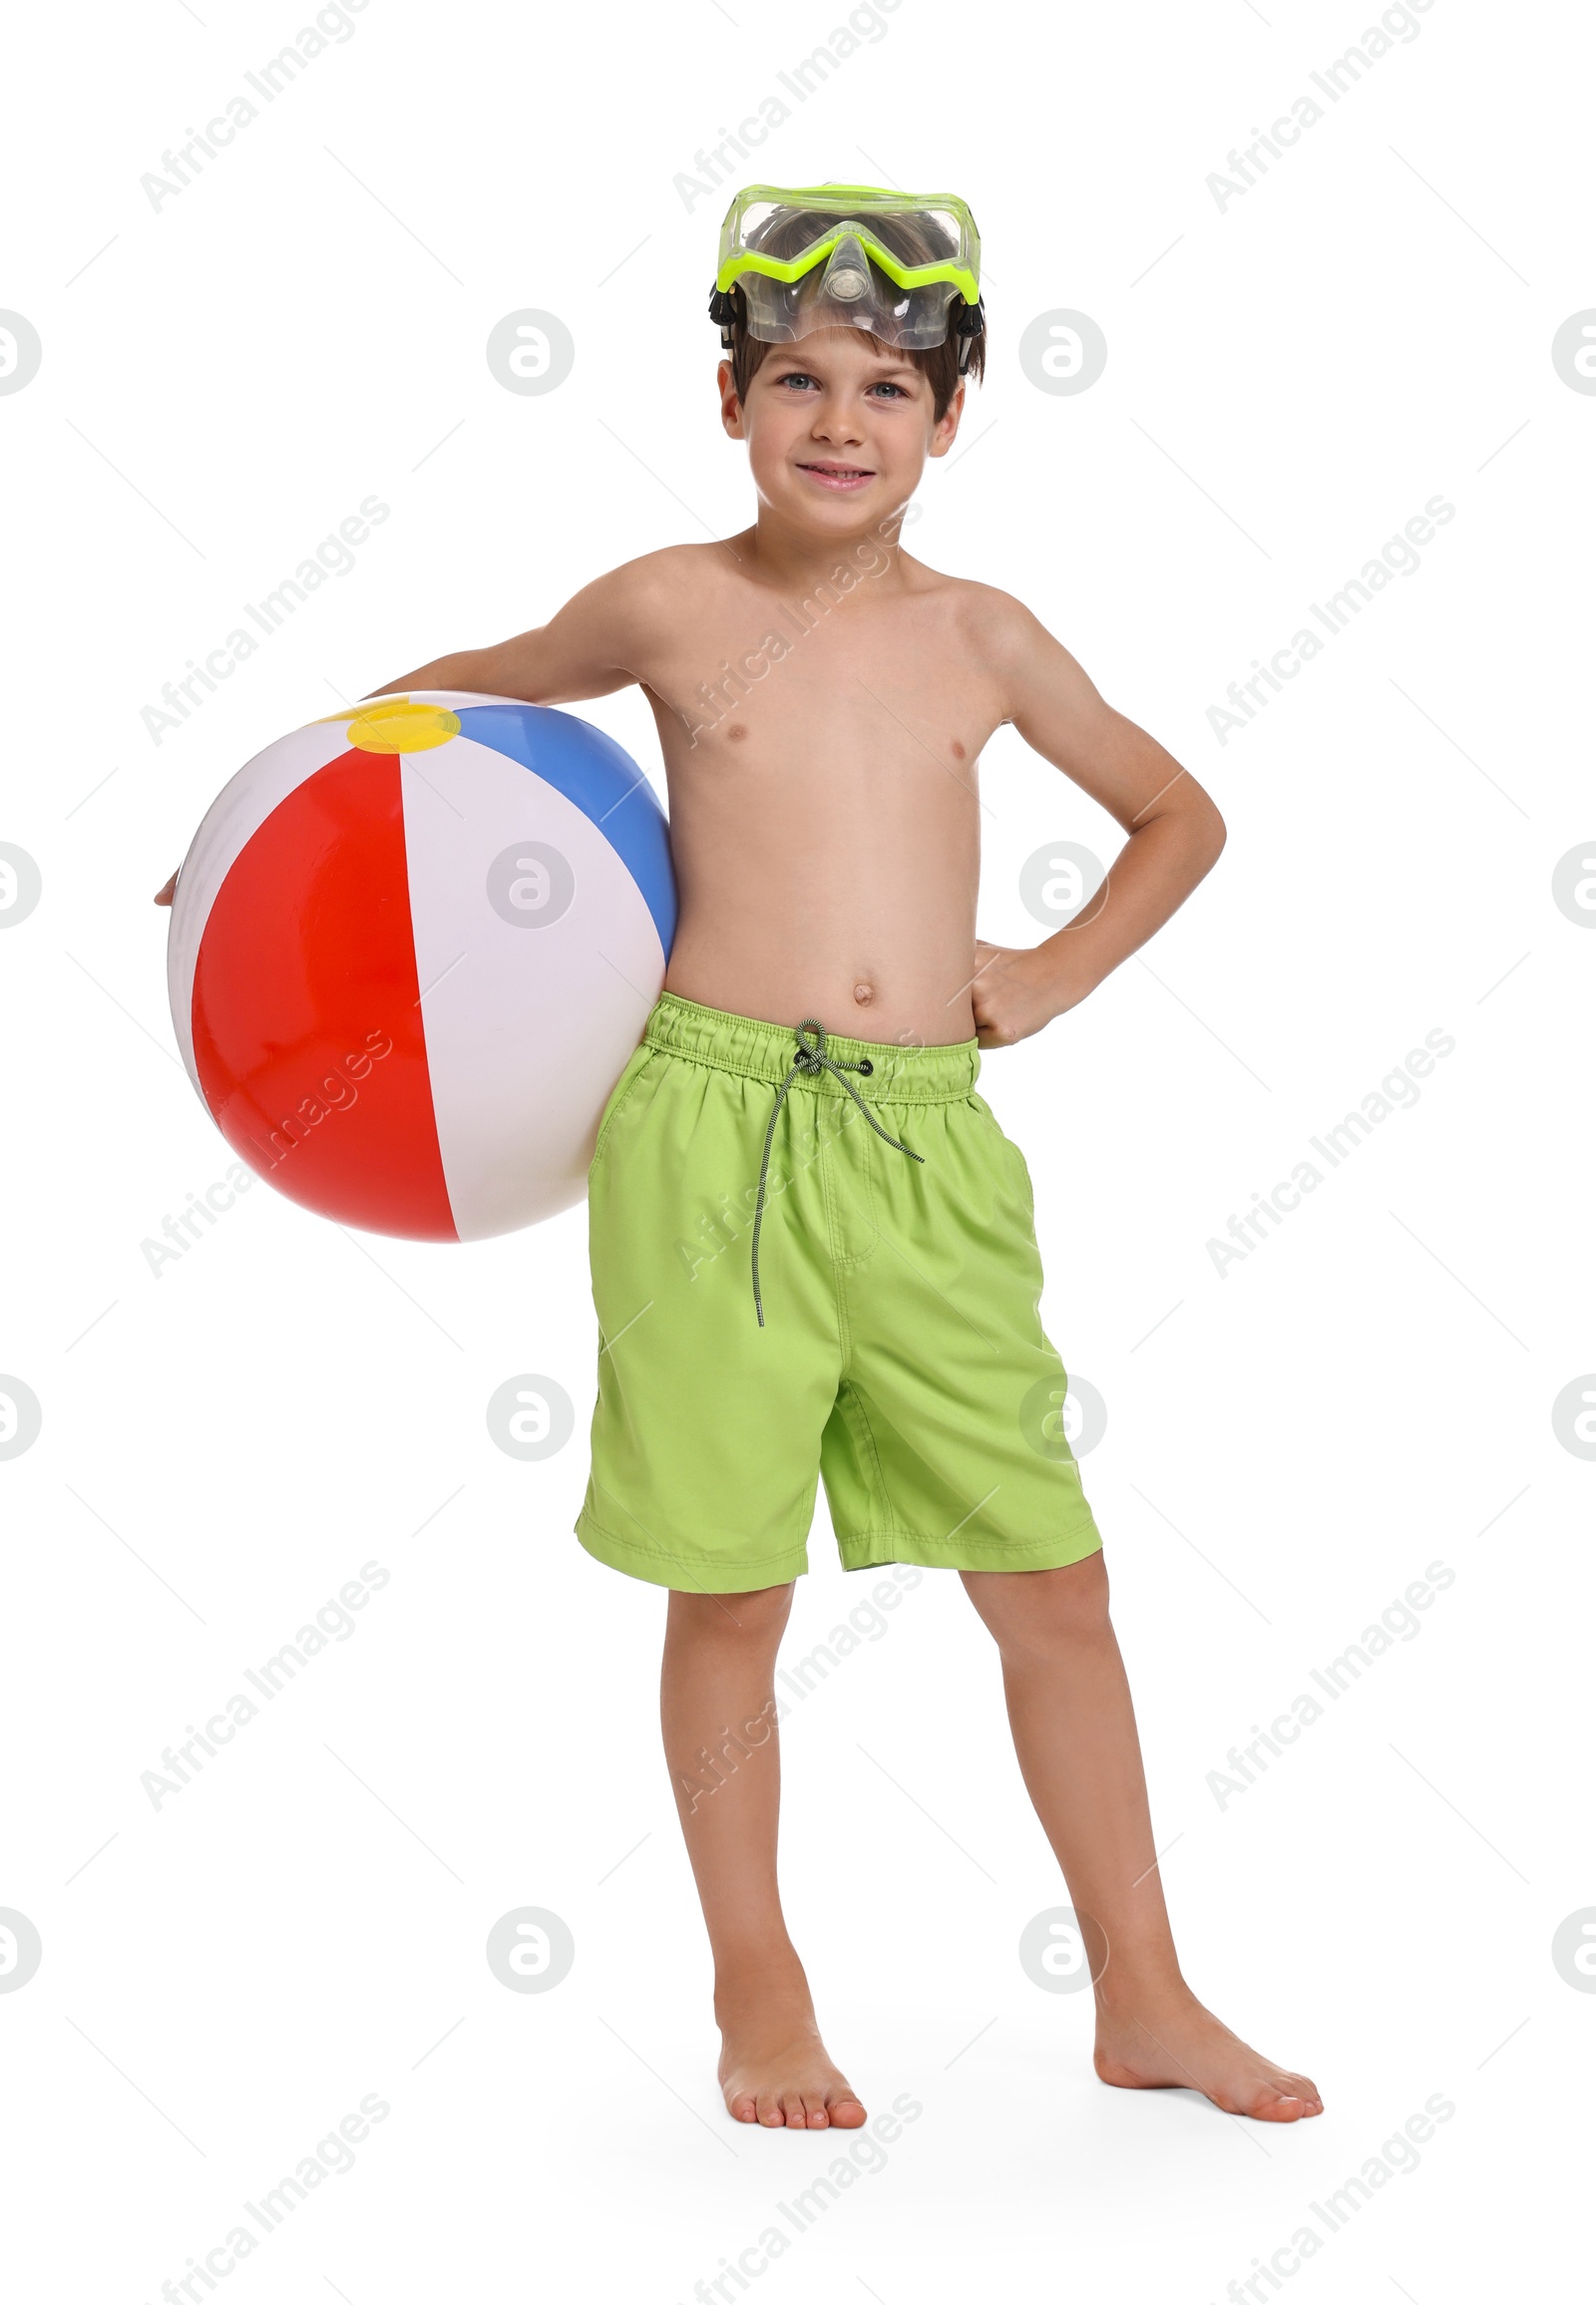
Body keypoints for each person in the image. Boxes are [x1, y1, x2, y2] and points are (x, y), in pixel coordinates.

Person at [157, 184, 1320, 2131]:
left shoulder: (984, 635)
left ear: (949, 421)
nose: (838, 419)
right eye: (795, 378)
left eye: (885, 384)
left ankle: (1142, 1986)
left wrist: (1045, 972)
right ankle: (757, 1990)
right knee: (729, 1592)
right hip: (702, 1135)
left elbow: (1176, 814)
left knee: (1049, 1578)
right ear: (728, 402)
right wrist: (269, 838)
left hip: (921, 1157)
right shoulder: (667, 605)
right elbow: (467, 697)